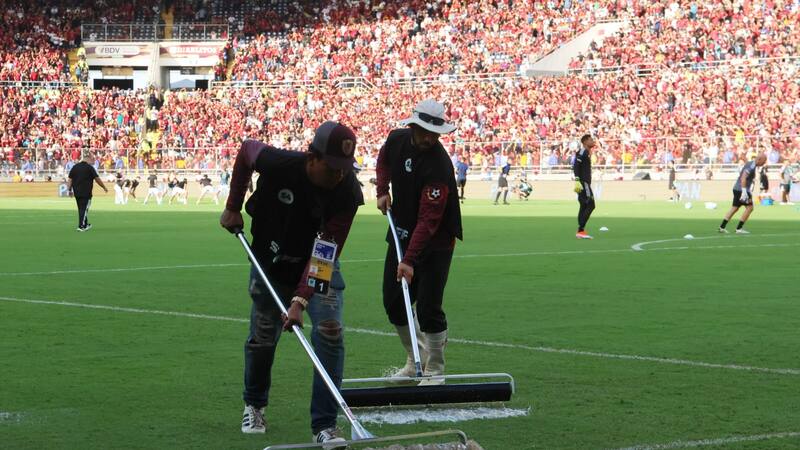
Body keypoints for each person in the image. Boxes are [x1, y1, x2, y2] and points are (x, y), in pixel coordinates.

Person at [219, 121, 362, 448]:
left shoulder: (347, 191)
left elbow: (327, 249)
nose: (338, 175)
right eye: (332, 167)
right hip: (269, 261)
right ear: (312, 157)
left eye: (344, 169)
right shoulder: (278, 162)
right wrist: (232, 207)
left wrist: (300, 299)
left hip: (316, 260)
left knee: (329, 331)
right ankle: (254, 405)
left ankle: (325, 425)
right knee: (263, 335)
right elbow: (244, 152)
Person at [375, 99, 463, 386]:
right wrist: (382, 189)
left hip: (435, 243)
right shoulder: (397, 139)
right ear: (412, 126)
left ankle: (435, 369)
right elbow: (383, 158)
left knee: (428, 306)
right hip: (401, 232)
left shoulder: (439, 165)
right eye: (424, 131)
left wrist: (409, 261)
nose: (428, 138)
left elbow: (429, 221)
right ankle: (415, 361)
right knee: (394, 302)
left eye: (434, 133)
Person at [719, 153, 767, 234]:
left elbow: (744, 159)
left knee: (735, 208)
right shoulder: (751, 166)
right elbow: (743, 177)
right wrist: (744, 191)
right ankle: (739, 228)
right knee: (750, 208)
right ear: (759, 159)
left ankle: (722, 227)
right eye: (764, 161)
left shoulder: (750, 163)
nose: (764, 163)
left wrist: (742, 156)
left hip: (736, 188)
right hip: (742, 190)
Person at [67, 153, 108, 231]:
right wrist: (104, 187)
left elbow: (70, 179)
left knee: (81, 209)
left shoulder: (75, 167)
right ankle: (81, 226)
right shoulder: (89, 168)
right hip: (86, 192)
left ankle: (85, 224)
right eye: (92, 159)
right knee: (84, 209)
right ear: (88, 158)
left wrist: (69, 190)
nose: (93, 161)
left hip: (77, 192)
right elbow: (97, 179)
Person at [573, 134, 596, 239]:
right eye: (591, 140)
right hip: (584, 183)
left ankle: (580, 232)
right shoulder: (583, 151)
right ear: (585, 141)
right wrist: (577, 179)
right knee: (591, 205)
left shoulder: (586, 152)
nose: (593, 141)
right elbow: (576, 164)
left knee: (583, 205)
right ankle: (580, 230)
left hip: (583, 182)